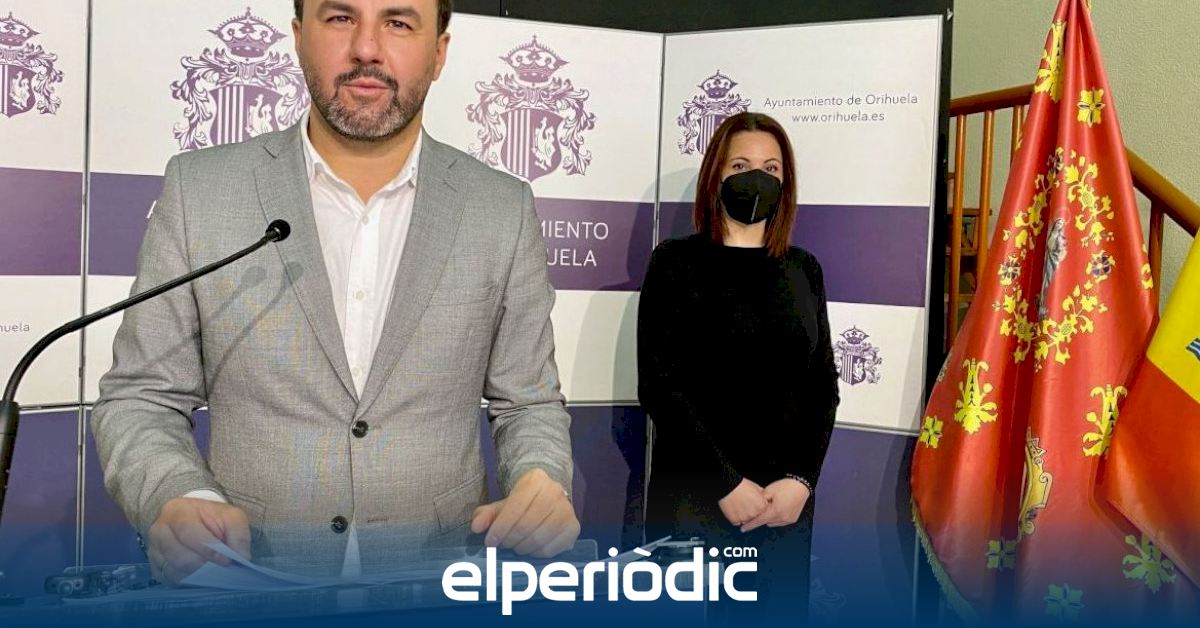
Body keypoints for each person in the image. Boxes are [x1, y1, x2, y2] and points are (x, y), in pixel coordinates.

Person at [91, 0, 578, 585]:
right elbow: (141, 396)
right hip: (247, 581)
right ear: (299, 37)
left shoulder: (501, 208)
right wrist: (176, 493)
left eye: (398, 23)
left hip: (436, 583)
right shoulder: (201, 192)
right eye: (341, 18)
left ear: (439, 52)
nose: (367, 48)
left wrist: (541, 478)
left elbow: (528, 404)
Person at [637, 112, 839, 624]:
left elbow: (822, 387)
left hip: (782, 507)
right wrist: (726, 483)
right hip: (694, 500)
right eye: (741, 165)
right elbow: (659, 386)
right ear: (716, 175)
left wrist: (801, 480)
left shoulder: (804, 269)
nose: (757, 178)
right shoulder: (675, 263)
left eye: (771, 169)